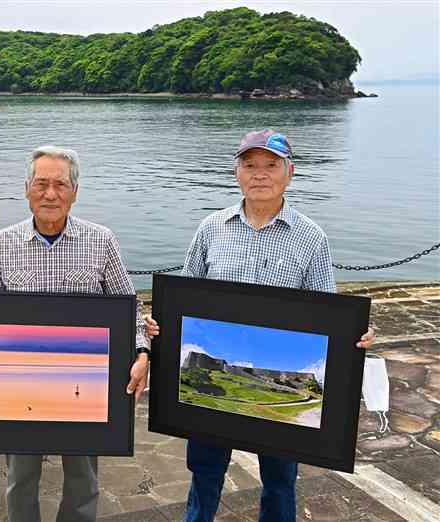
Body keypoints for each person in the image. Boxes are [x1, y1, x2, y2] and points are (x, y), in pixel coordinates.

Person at [145, 130, 374, 522]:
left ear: (290, 172)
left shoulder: (311, 238)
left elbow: (328, 314)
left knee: (281, 481)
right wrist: (160, 324)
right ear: (237, 173)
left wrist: (355, 336)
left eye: (271, 165)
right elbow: (183, 298)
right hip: (212, 379)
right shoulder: (211, 228)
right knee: (204, 473)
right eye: (250, 165)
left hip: (273, 373)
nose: (260, 174)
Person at [0, 145, 151, 522]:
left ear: (75, 191)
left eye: (60, 185)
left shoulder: (101, 240)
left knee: (83, 478)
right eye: (41, 184)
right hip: (22, 385)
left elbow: (128, 307)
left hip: (86, 386)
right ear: (26, 189)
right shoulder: (4, 243)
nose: (50, 194)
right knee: (20, 478)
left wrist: (141, 352)